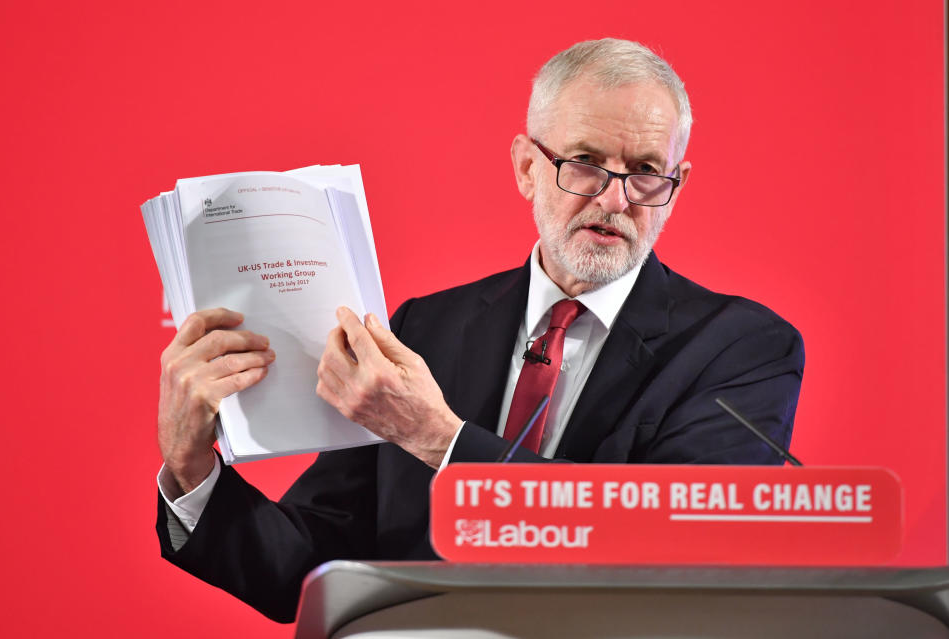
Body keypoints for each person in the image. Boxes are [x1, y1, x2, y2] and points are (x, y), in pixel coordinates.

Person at [155, 39, 804, 622]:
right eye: (582, 162)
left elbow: (679, 553)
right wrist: (191, 472)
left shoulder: (740, 348)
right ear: (526, 166)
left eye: (643, 172)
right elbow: (310, 568)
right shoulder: (423, 329)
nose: (614, 200)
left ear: (676, 184)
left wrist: (437, 437)